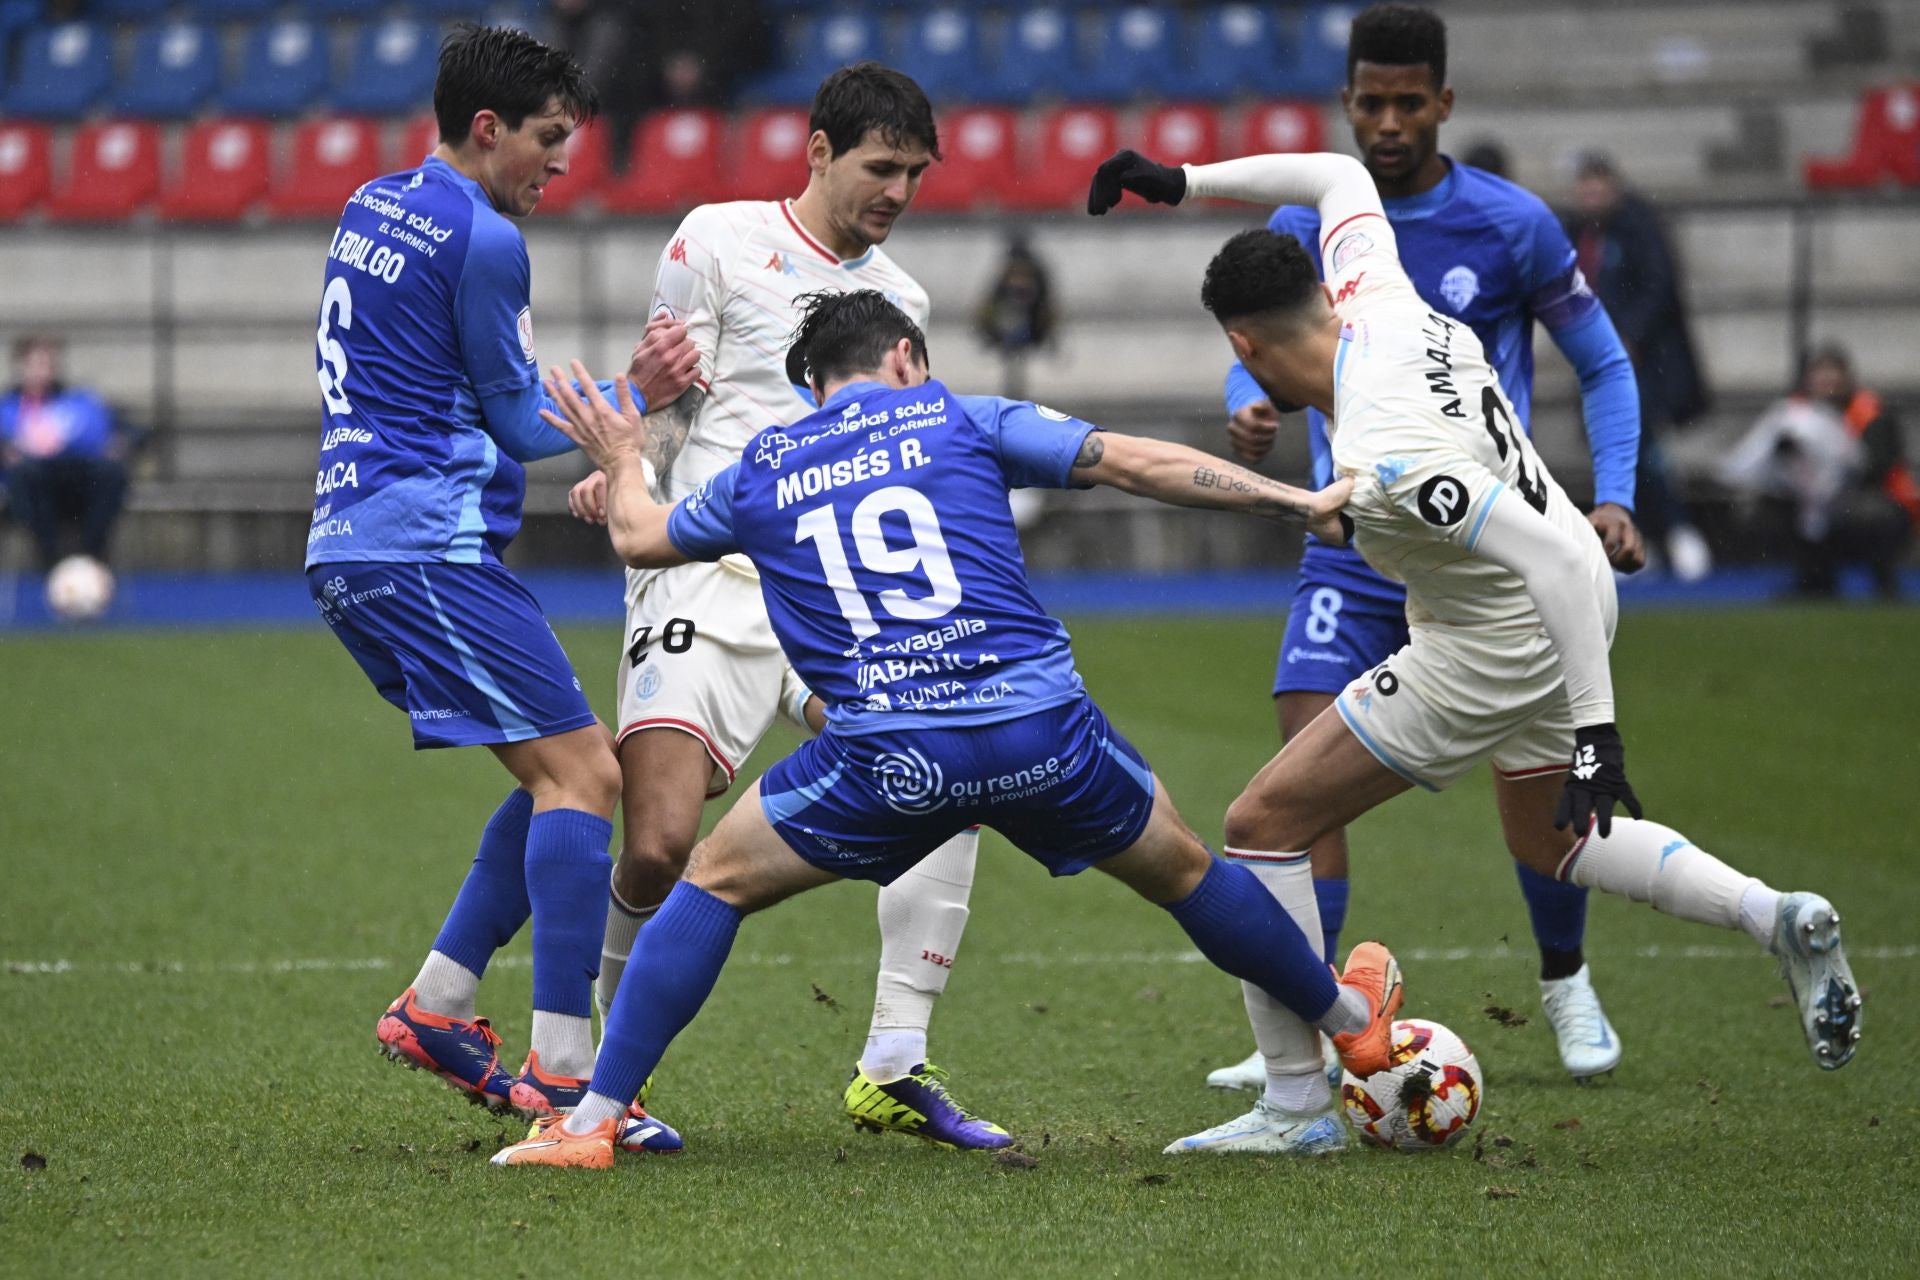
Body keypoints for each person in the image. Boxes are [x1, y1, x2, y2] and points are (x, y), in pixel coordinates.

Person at [492, 290, 1398, 1169]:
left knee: (714, 883)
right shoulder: (957, 416)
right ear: (904, 360)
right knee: (1191, 871)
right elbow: (1133, 462)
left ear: (816, 389)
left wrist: (621, 452)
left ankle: (592, 1121)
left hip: (892, 758)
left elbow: (640, 538)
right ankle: (1352, 1029)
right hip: (1044, 736)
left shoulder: (768, 465)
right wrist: (1298, 504)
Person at [1088, 146, 1861, 1154]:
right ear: (1326, 284)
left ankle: (1292, 1104)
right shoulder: (1381, 291)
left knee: (1262, 821)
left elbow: (1559, 560)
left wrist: (1597, 738)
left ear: (1242, 341)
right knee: (1553, 841)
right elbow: (1332, 174)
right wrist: (1181, 181)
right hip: (1538, 609)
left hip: (1497, 636)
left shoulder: (1385, 449)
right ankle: (1778, 915)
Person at [1195, 2, 1645, 1096]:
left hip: (1472, 540)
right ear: (1347, 104)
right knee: (1299, 765)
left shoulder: (1513, 224)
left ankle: (1564, 977)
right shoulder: (1316, 225)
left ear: (1443, 103)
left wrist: (1615, 494)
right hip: (1355, 534)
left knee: (1533, 797)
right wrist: (1245, 411)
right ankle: (1302, 1013)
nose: (1387, 121)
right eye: (1369, 102)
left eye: (1408, 103)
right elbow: (1266, 347)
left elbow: (1605, 363)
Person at [567, 63, 1009, 1149]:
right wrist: (631, 465)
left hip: (834, 597)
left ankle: (894, 1061)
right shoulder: (713, 239)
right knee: (662, 841)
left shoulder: (901, 303)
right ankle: (587, 1070)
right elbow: (665, 399)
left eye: (914, 171)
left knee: (949, 768)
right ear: (818, 151)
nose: (897, 189)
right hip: (703, 577)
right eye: (879, 165)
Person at [303, 24, 698, 1149]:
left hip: (358, 534)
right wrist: (641, 387)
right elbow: (522, 423)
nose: (558, 164)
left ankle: (437, 1002)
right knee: (585, 770)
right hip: (417, 544)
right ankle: (564, 1074)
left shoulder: (373, 202)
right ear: (489, 130)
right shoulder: (483, 239)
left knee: (554, 765)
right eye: (547, 140)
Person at [1566, 150, 1715, 581]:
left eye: (1599, 184)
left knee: (1640, 446)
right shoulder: (1575, 231)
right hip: (1595, 361)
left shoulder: (1639, 226)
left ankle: (1679, 529)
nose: (1591, 194)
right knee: (1617, 451)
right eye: (1585, 186)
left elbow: (1658, 286)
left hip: (1643, 361)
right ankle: (1642, 538)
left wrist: (1628, 337)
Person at [1719, 344, 1914, 598]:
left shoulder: (1868, 412)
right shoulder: (1796, 415)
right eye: (1820, 375)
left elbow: (1878, 466)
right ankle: (1814, 578)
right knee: (1779, 510)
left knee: (1870, 512)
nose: (1826, 383)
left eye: (1833, 375)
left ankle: (1884, 581)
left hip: (1865, 496)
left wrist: (1837, 474)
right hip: (1810, 497)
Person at [0, 336, 130, 573]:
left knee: (111, 473)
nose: (42, 371)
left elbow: (125, 431)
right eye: (34, 364)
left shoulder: (80, 402)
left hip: (78, 484)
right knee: (25, 474)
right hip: (33, 492)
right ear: (20, 367)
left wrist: (119, 443)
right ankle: (54, 564)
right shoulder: (5, 408)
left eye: (47, 364)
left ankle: (89, 560)